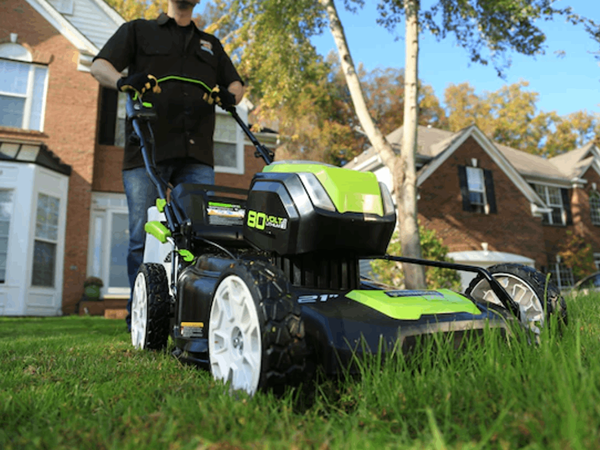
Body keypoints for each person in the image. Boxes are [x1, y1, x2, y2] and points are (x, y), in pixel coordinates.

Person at [91, 0, 245, 332]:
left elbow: (237, 86)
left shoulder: (211, 45)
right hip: (146, 147)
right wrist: (125, 81)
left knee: (202, 237)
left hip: (197, 155)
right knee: (141, 237)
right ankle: (142, 318)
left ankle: (194, 314)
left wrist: (229, 96)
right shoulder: (138, 30)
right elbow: (99, 66)